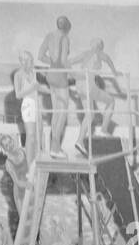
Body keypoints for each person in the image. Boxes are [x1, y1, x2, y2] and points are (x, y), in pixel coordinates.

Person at [70, 38, 125, 144]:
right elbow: (108, 60)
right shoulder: (99, 53)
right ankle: (103, 130)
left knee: (89, 115)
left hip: (79, 84)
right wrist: (115, 72)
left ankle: (79, 141)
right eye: (101, 45)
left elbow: (69, 62)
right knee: (111, 101)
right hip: (88, 84)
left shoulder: (85, 53)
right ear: (100, 46)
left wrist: (72, 74)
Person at [38, 16, 74, 157]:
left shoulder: (49, 36)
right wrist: (74, 74)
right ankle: (55, 147)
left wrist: (53, 64)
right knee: (63, 112)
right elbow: (64, 61)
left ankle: (55, 146)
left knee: (56, 112)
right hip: (60, 77)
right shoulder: (64, 38)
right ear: (67, 28)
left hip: (51, 75)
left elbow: (40, 56)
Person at [13, 52, 48, 163]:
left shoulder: (34, 72)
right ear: (22, 61)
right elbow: (18, 95)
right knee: (31, 135)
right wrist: (32, 88)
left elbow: (37, 87)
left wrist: (52, 92)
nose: (30, 62)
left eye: (31, 60)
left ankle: (38, 158)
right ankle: (29, 164)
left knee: (40, 131)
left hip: (36, 104)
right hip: (27, 104)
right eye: (27, 60)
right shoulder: (18, 75)